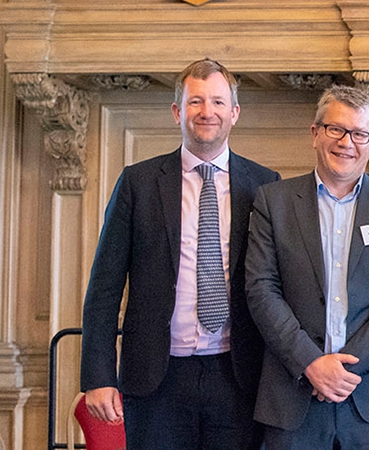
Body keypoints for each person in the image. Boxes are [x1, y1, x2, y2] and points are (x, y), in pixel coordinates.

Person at [80, 58, 280, 449]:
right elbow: (104, 286)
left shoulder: (265, 185)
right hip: (156, 378)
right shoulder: (137, 183)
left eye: (219, 102)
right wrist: (98, 376)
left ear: (235, 113)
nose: (208, 112)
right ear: (177, 111)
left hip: (237, 375)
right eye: (196, 102)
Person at [245, 85, 369, 449]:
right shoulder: (273, 200)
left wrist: (344, 371)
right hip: (293, 397)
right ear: (315, 133)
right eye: (336, 129)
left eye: (360, 134)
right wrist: (311, 363)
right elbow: (261, 288)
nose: (347, 142)